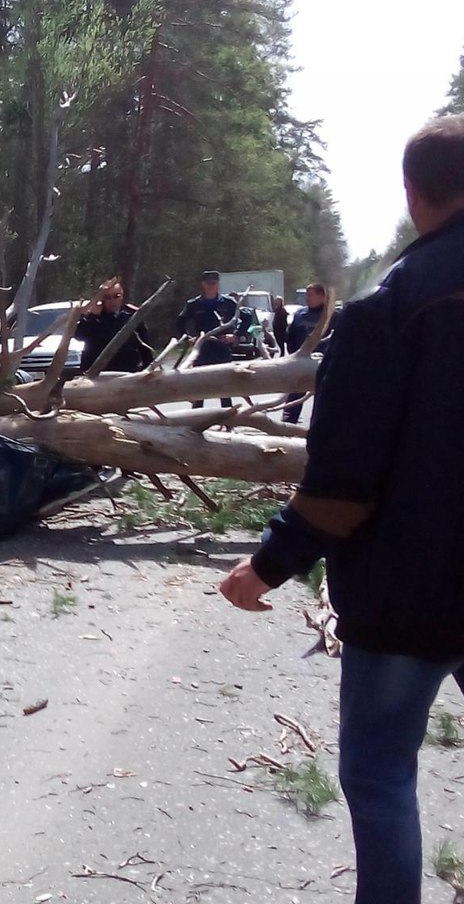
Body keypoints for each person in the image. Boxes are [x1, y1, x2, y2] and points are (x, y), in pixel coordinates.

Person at [219, 114, 464, 904]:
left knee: (380, 772)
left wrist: (266, 565)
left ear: (414, 194)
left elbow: (344, 485)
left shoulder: (392, 309)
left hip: (411, 596)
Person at [175, 270, 238, 407]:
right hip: (202, 349)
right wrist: (188, 338)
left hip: (222, 349)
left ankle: (227, 422)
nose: (211, 286)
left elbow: (244, 318)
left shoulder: (228, 303)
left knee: (225, 389)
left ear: (218, 284)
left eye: (213, 283)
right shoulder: (194, 304)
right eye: (208, 283)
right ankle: (195, 423)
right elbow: (180, 321)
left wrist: (235, 335)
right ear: (203, 284)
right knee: (199, 388)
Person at [74, 278, 153, 372]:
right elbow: (79, 336)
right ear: (102, 299)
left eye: (116, 296)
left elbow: (145, 348)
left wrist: (148, 371)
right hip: (98, 374)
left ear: (122, 296)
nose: (112, 300)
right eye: (107, 297)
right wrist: (92, 316)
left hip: (127, 372)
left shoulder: (132, 315)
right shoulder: (93, 316)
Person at [281, 283, 331, 424]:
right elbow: (290, 338)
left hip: (323, 365)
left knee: (322, 402)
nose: (307, 298)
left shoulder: (331, 316)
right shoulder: (300, 315)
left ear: (322, 297)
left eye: (311, 295)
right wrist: (294, 356)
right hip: (301, 363)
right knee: (295, 397)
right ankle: (287, 425)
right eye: (306, 295)